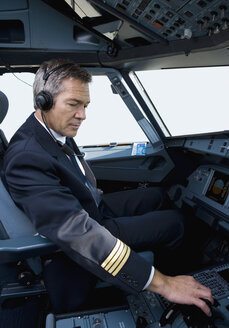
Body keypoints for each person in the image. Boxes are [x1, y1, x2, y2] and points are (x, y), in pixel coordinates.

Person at [1, 58, 213, 315]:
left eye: (85, 105)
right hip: (84, 231)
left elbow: (64, 173)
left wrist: (88, 189)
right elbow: (77, 233)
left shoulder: (49, 129)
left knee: (158, 195)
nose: (83, 115)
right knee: (176, 223)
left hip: (90, 207)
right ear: (42, 101)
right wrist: (161, 282)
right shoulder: (26, 156)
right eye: (74, 104)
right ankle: (179, 288)